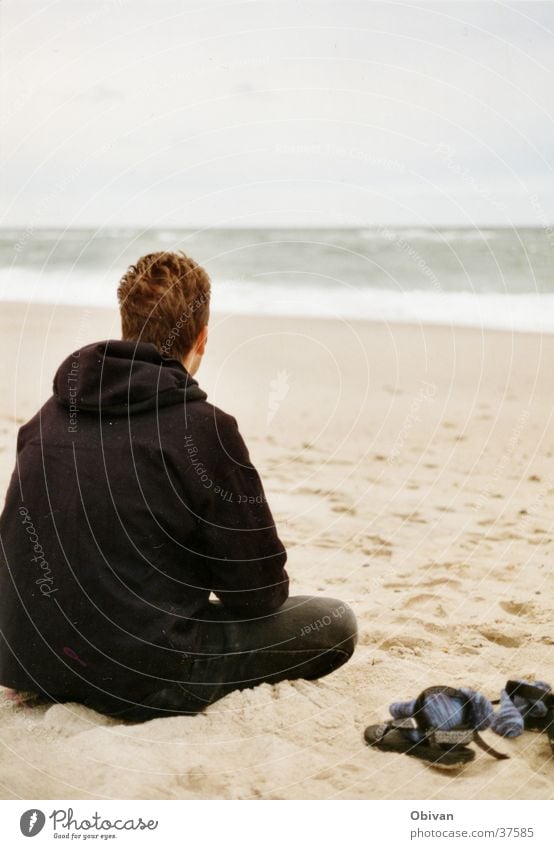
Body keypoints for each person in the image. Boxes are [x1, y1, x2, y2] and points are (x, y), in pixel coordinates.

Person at [0, 252, 357, 721]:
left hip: (28, 660)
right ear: (202, 338)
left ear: (127, 324)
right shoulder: (205, 430)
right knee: (334, 623)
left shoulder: (48, 417)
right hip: (140, 676)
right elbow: (258, 594)